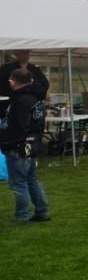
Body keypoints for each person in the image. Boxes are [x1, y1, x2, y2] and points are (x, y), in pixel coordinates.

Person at [2, 69, 50, 224]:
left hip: (19, 146)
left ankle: (22, 215)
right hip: (32, 144)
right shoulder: (36, 98)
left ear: (12, 82)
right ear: (31, 81)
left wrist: (7, 142)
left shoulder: (21, 100)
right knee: (31, 179)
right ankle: (42, 210)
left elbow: (18, 127)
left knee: (18, 183)